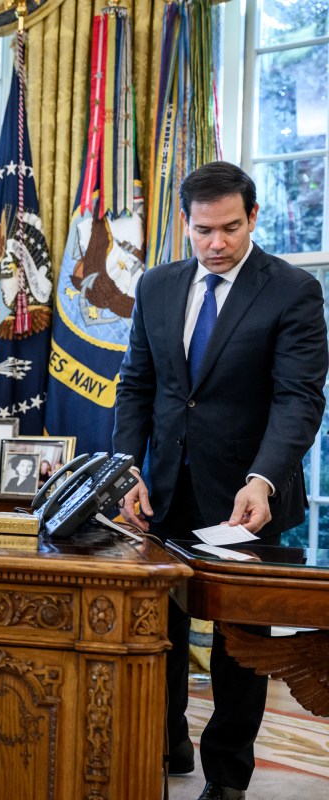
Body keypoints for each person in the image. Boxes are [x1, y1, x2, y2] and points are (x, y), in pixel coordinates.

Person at [113, 161, 328, 800]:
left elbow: (299, 398)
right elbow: (137, 385)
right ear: (185, 223)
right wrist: (126, 467)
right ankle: (167, 740)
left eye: (230, 228)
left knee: (241, 646)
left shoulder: (292, 290)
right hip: (163, 490)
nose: (217, 243)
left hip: (248, 499)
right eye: (204, 230)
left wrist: (263, 478)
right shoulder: (156, 285)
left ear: (253, 218)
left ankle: (228, 777)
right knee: (162, 631)